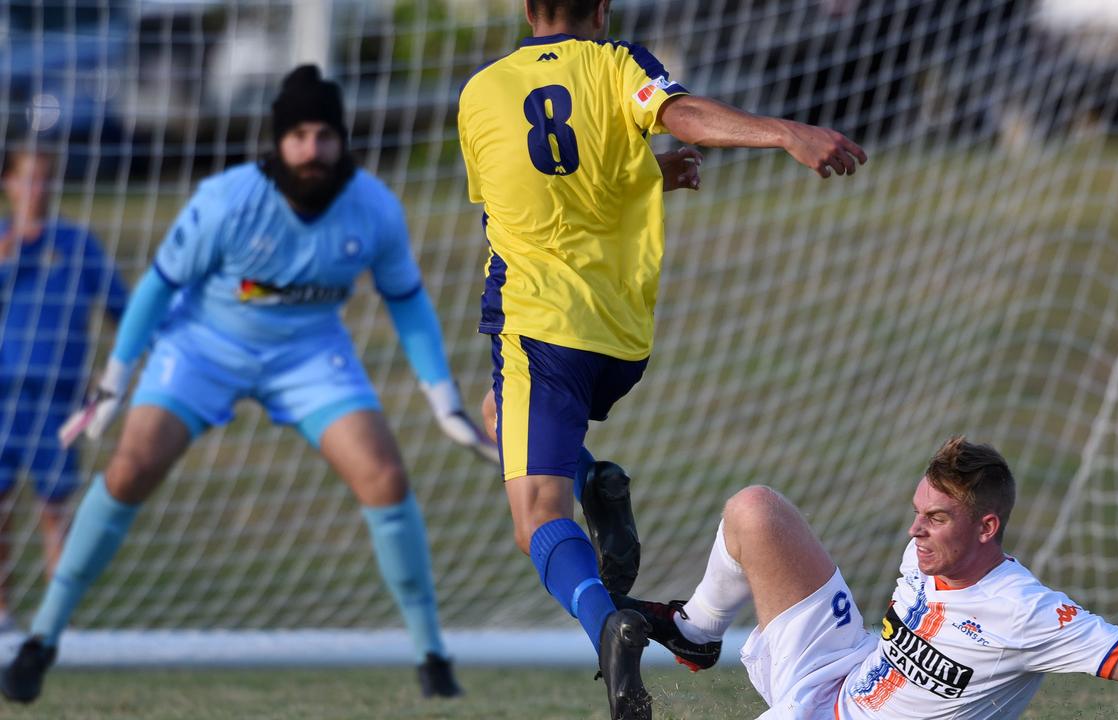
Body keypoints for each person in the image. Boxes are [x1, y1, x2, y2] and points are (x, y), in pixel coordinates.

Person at [0, 65, 498, 705]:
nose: (311, 150)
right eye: (297, 136)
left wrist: (443, 403)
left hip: (309, 353)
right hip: (203, 348)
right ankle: (42, 639)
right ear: (277, 142)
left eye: (323, 135)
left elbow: (406, 300)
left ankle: (432, 655)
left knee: (385, 479)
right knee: (127, 469)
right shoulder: (228, 200)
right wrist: (115, 381)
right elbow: (155, 287)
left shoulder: (373, 207)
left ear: (342, 140)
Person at [458, 1, 867, 717]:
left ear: (525, 8)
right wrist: (779, 133)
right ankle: (602, 486)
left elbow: (531, 191)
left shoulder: (481, 90)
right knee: (499, 417)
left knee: (536, 515)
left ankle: (605, 624)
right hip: (617, 337)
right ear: (604, 7)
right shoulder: (621, 63)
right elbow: (676, 116)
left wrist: (773, 138)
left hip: (536, 325)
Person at [614, 436, 1118, 719]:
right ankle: (698, 629)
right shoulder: (926, 551)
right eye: (917, 511)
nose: (916, 530)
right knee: (756, 510)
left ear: (987, 527)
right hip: (840, 670)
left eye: (936, 519)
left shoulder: (1024, 611)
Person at [0, 145, 129, 634]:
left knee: (56, 508)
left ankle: (56, 620)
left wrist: (117, 370)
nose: (38, 190)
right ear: (9, 184)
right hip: (5, 394)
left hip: (61, 398)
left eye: (46, 179)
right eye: (28, 179)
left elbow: (122, 306)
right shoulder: (3, 244)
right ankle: (2, 613)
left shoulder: (77, 244)